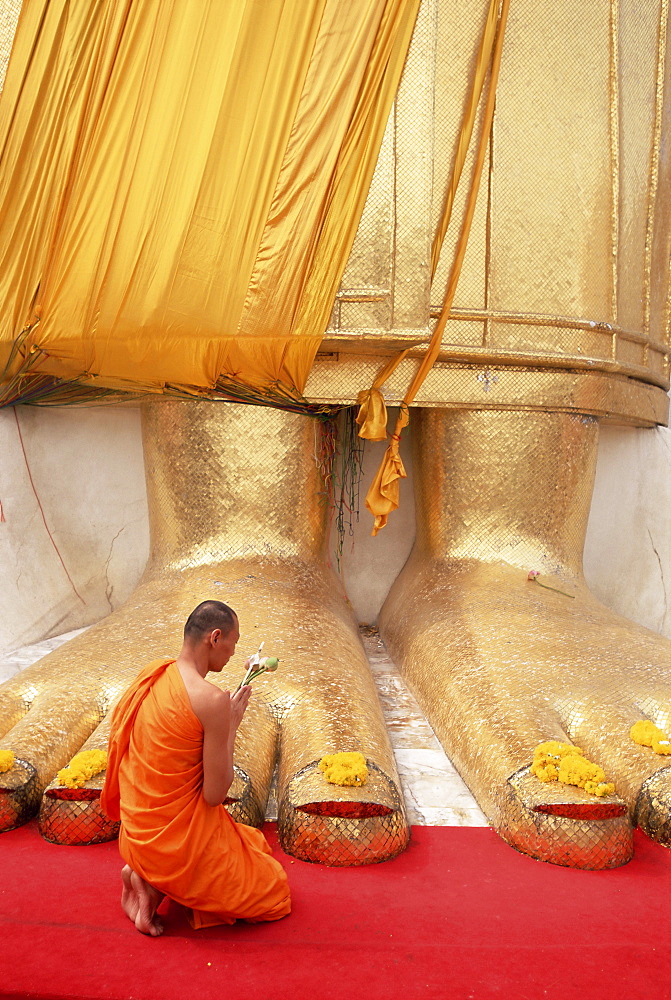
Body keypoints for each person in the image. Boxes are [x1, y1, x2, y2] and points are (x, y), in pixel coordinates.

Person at [101, 600, 291, 935]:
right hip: (175, 843)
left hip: (137, 832)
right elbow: (215, 795)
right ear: (215, 638)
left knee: (251, 843)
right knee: (273, 894)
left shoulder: (155, 673)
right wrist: (230, 725)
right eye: (233, 641)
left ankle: (148, 879)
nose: (234, 652)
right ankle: (157, 877)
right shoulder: (211, 699)